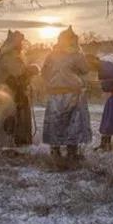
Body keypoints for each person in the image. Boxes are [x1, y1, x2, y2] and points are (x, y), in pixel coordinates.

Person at [39, 26, 92, 159]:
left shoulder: (51, 55)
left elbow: (44, 73)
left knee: (55, 121)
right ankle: (71, 152)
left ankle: (55, 151)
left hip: (54, 93)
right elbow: (85, 69)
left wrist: (51, 83)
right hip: (72, 92)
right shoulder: (76, 55)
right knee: (73, 122)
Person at [0, 30, 38, 148]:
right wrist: (31, 70)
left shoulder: (14, 55)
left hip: (16, 91)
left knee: (15, 117)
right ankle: (8, 144)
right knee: (9, 117)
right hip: (11, 93)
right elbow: (18, 73)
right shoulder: (9, 56)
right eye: (20, 42)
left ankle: (16, 143)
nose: (22, 44)